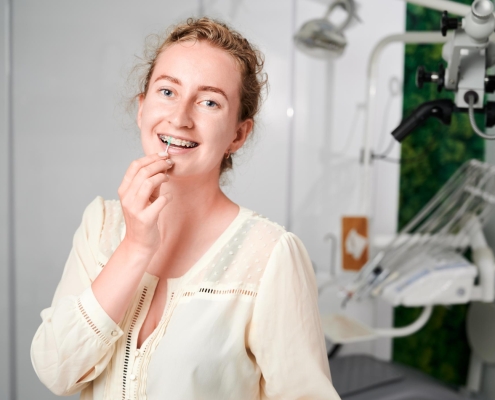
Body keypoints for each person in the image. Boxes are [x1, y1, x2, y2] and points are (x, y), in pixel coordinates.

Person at [31, 17, 341, 400]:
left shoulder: (270, 257)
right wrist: (135, 248)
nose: (179, 118)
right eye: (167, 92)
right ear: (142, 109)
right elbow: (55, 372)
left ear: (238, 134)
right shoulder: (100, 225)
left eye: (209, 102)